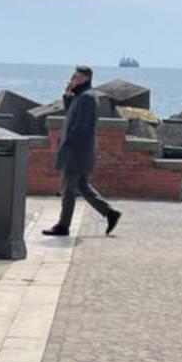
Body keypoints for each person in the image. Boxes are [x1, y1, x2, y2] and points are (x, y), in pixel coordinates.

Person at [42, 65, 121, 237]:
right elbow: (72, 115)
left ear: (85, 78)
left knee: (68, 189)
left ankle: (63, 226)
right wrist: (67, 96)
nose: (72, 79)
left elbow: (82, 127)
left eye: (76, 77)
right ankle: (110, 213)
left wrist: (68, 144)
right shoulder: (81, 96)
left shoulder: (87, 98)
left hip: (77, 151)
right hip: (78, 150)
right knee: (81, 186)